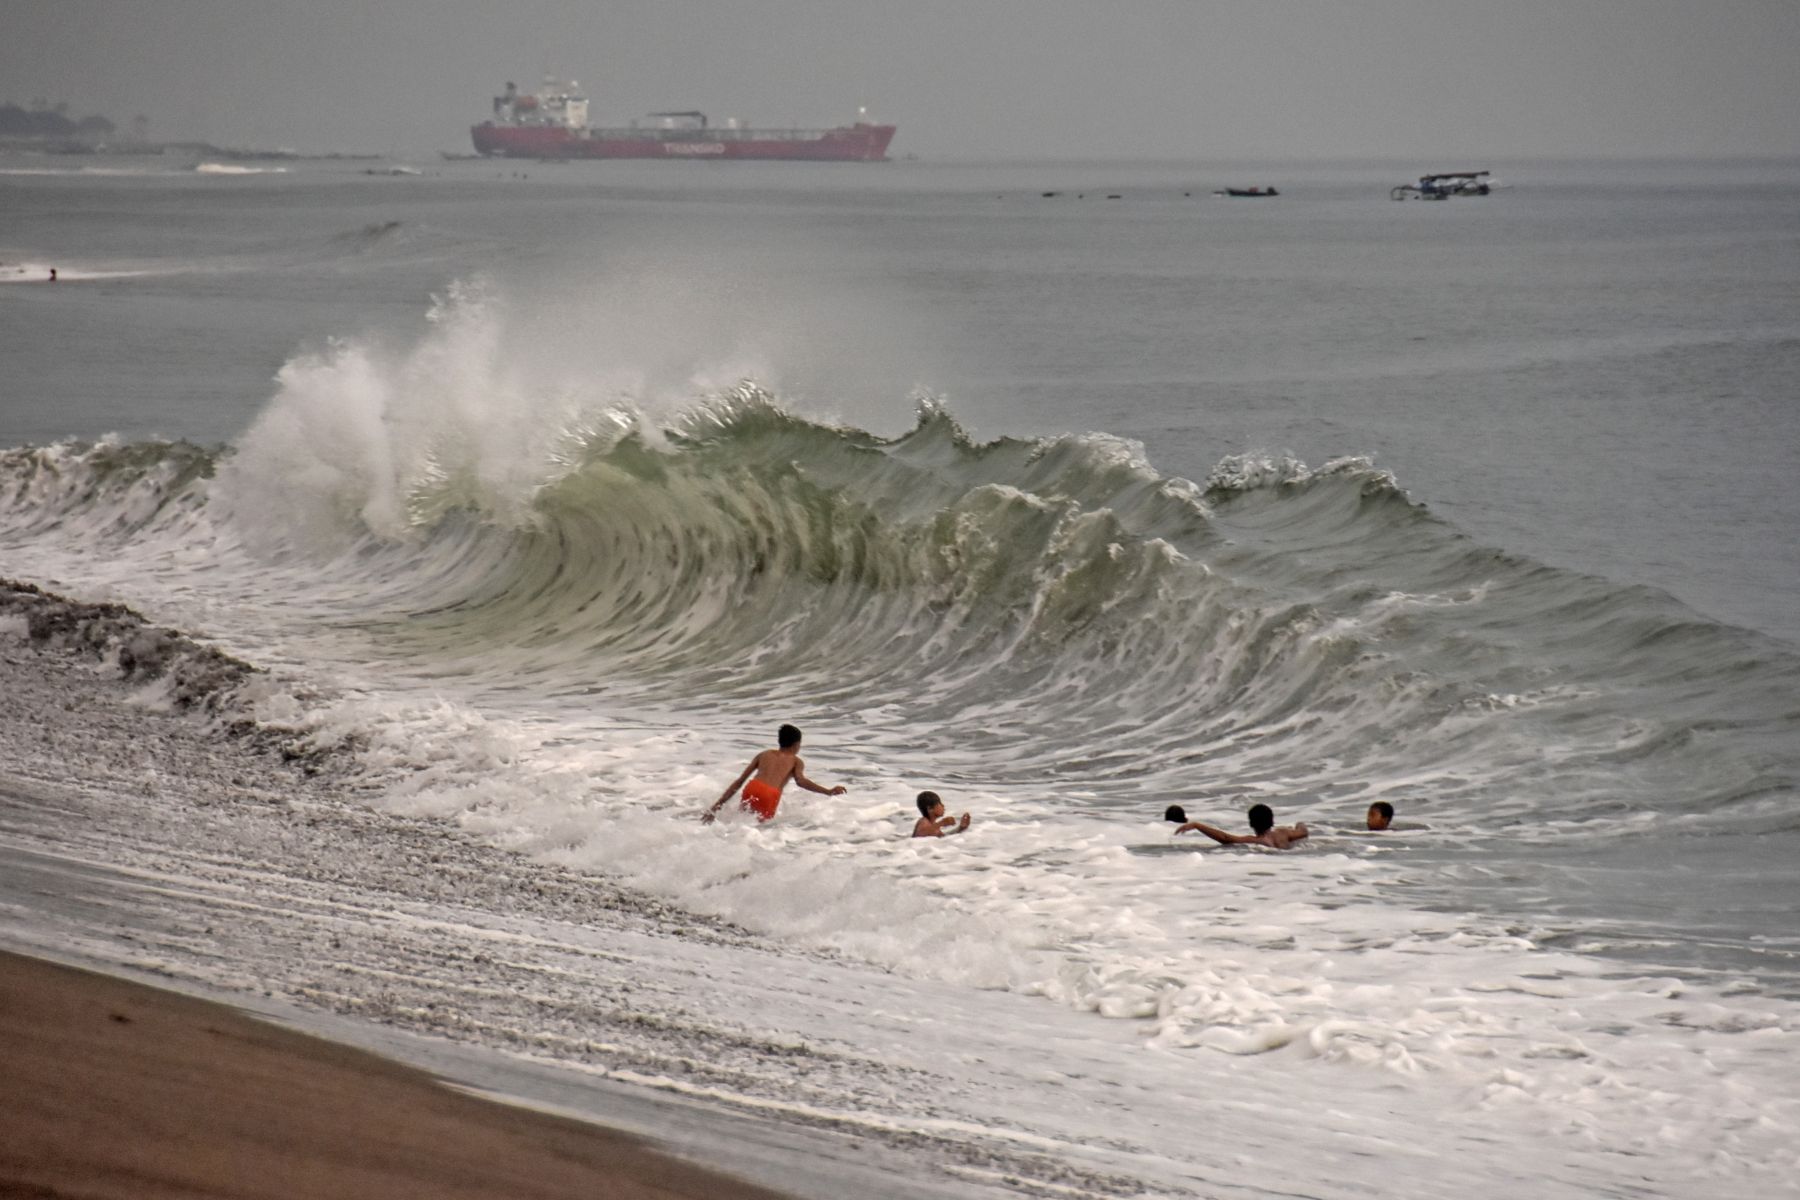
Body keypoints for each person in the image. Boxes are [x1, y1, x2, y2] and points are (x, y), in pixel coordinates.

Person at [702, 723, 845, 824]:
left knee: (742, 823)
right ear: (797, 744)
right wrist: (828, 791)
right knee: (759, 830)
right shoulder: (796, 761)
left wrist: (718, 805)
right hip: (770, 794)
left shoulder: (764, 754)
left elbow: (740, 781)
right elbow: (801, 781)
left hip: (753, 787)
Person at [1172, 803, 1308, 849]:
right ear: (1272, 821)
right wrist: (1299, 824)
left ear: (1251, 823)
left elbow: (1226, 839)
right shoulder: (1284, 833)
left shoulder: (1255, 841)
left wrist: (1197, 825)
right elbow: (1303, 832)